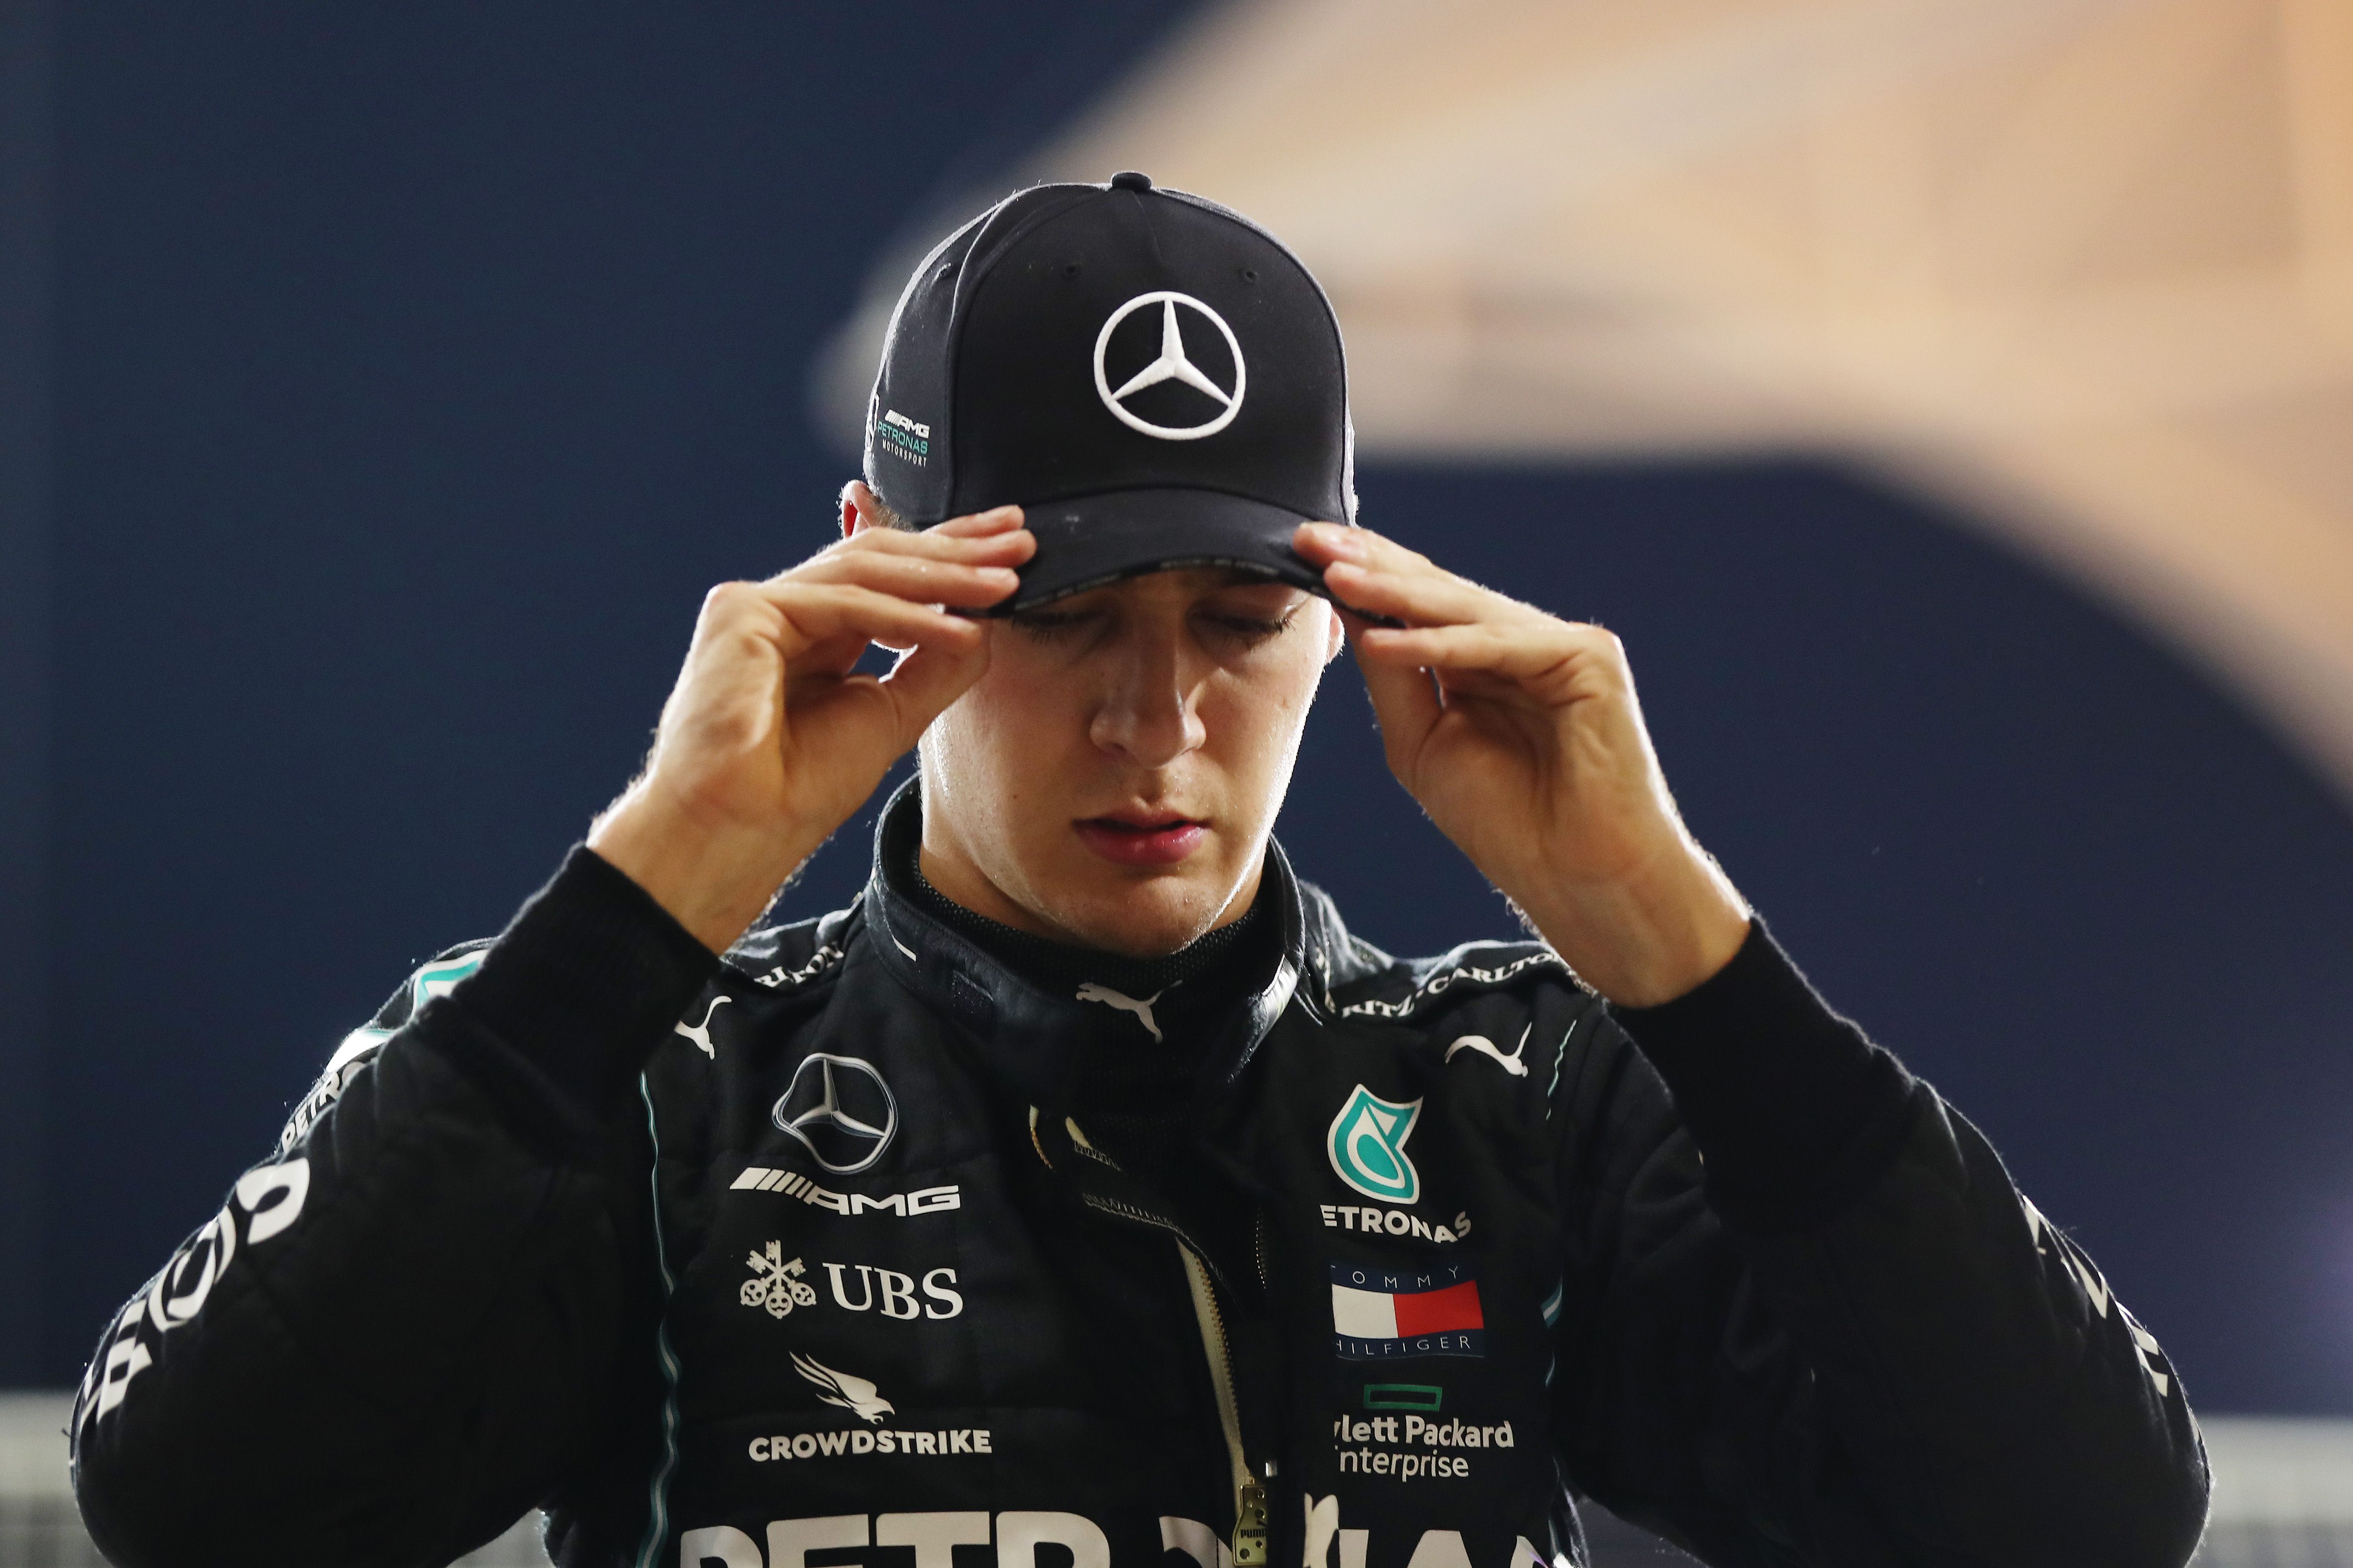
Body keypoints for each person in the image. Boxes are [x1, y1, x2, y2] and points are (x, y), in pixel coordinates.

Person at [70, 173, 2207, 1568]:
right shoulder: (642, 1083)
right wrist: (667, 877)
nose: (1157, 714)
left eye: (1241, 618)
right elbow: (189, 1504)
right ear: (883, 579)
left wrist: (1674, 935)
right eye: (1067, 614)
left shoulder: (1522, 1093)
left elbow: (2092, 1521)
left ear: (1351, 614)